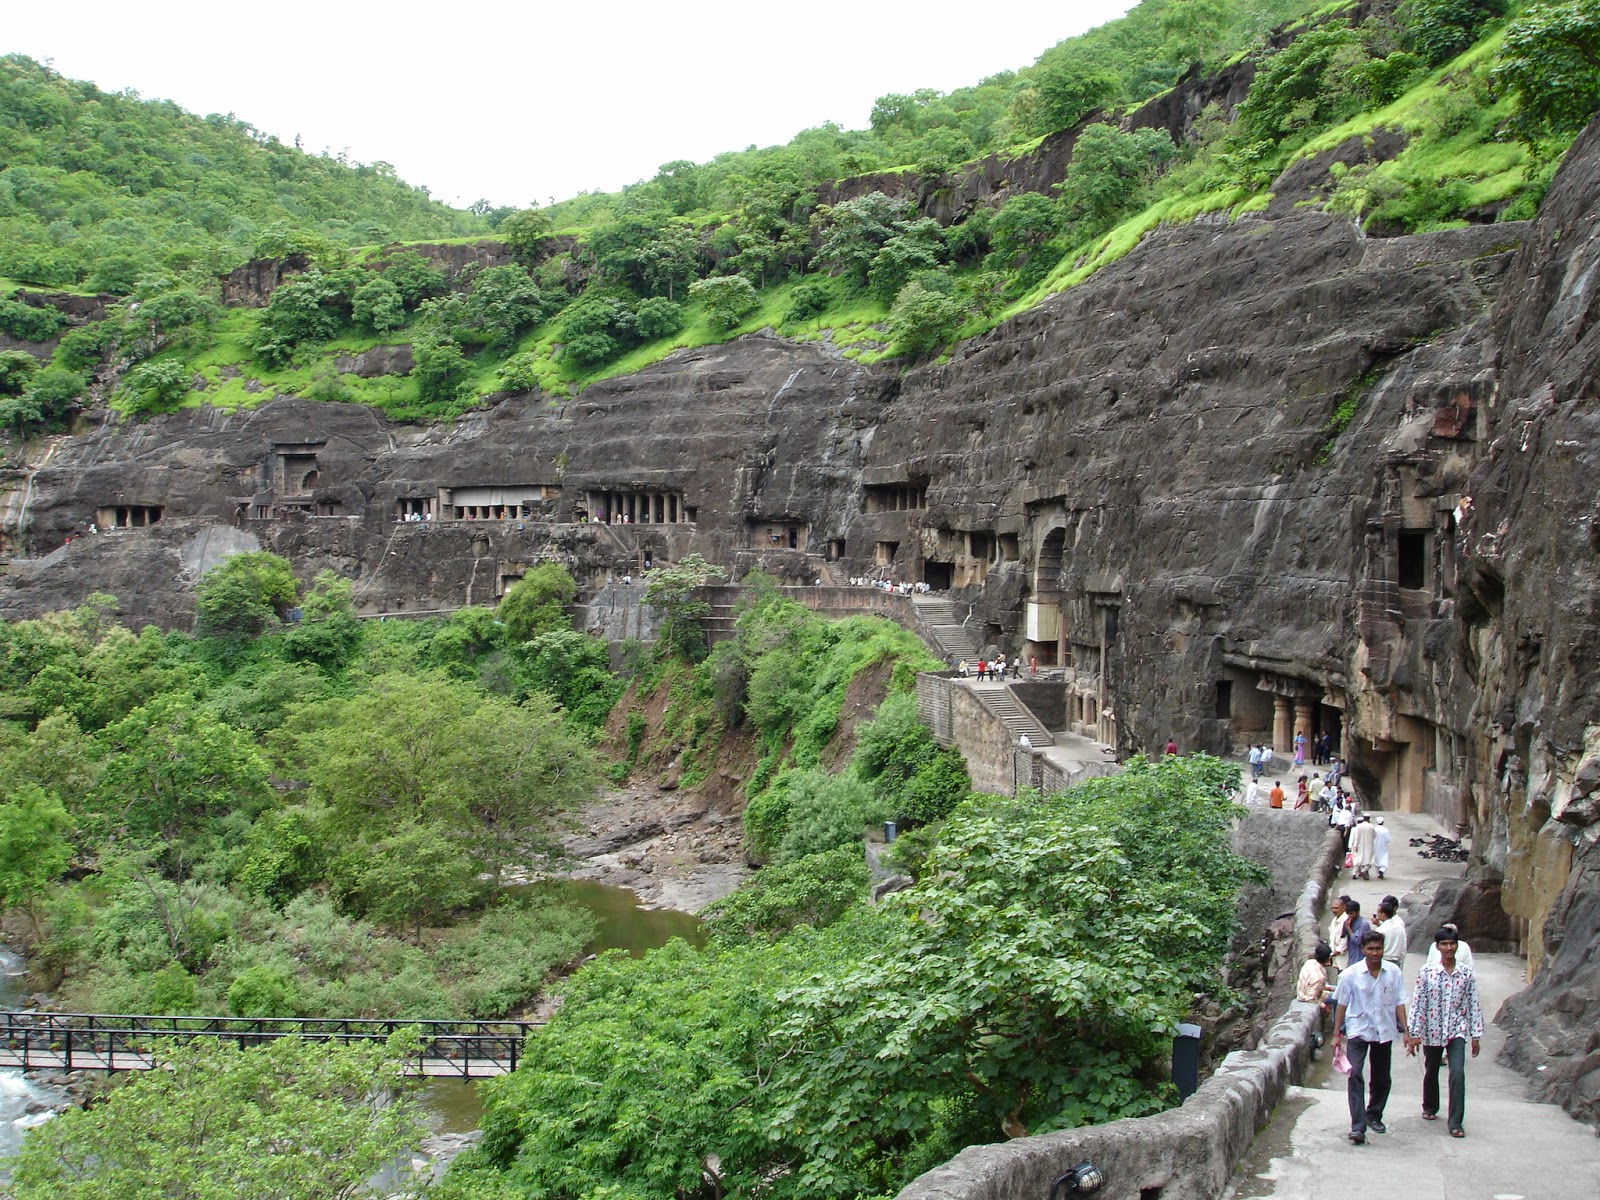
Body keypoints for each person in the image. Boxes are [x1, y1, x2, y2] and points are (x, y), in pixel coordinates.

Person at [1331, 930, 1409, 1145]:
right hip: (1358, 1029)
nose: (1375, 953)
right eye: (1370, 949)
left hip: (1383, 1030)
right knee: (1354, 1072)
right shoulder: (1350, 975)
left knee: (1382, 1078)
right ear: (1363, 950)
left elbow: (1399, 1002)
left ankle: (1374, 1114)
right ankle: (1357, 1127)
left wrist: (1407, 1031)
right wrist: (1336, 1034)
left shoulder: (1393, 973)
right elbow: (1342, 1004)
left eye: (1378, 949)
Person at [1406, 928, 1484, 1137]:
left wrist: (1475, 1035)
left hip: (1456, 1030)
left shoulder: (1465, 974)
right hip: (1432, 1029)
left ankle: (1456, 1122)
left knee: (1457, 1072)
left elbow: (1473, 1003)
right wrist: (1414, 1033)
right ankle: (1430, 1105)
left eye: (1452, 944)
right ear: (1437, 947)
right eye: (1444, 944)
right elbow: (1418, 1003)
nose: (1449, 948)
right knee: (1431, 1069)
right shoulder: (1427, 972)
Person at [1297, 941, 1333, 1007]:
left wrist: (1332, 988)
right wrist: (1324, 1006)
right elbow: (1310, 999)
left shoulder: (1309, 962)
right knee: (1339, 998)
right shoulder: (1319, 978)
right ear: (1327, 960)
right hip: (1306, 997)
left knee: (1336, 992)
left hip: (1302, 992)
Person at [1375, 897, 1408, 966]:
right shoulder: (1400, 927)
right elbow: (1403, 948)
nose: (1377, 915)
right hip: (1396, 960)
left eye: (1378, 913)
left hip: (1383, 960)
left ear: (1383, 914)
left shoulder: (1380, 930)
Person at [1341, 899, 1372, 968]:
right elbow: (1343, 935)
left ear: (1357, 912)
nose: (1349, 916)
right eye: (1348, 913)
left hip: (1360, 956)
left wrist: (1348, 928)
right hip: (1351, 955)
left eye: (1351, 913)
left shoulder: (1363, 924)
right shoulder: (1349, 921)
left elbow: (1357, 940)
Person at [1350, 814, 1378, 880]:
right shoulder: (1371, 826)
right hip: (1369, 845)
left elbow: (1357, 837)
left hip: (1360, 845)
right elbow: (1374, 835)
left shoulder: (1359, 826)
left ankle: (1354, 873)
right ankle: (1364, 870)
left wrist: (1355, 846)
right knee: (1370, 860)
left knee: (1359, 860)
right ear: (1369, 819)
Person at [1328, 894, 1351, 964]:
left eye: (1336, 908)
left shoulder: (1346, 920)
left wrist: (1335, 952)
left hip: (1344, 956)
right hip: (1335, 955)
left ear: (1343, 908)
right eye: (1333, 908)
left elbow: (1345, 941)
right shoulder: (1334, 920)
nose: (1334, 910)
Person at [1372, 815, 1392, 879]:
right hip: (1383, 846)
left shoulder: (1374, 829)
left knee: (1376, 859)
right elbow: (1388, 839)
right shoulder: (1385, 830)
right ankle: (1382, 870)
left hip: (1375, 846)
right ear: (1383, 822)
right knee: (1384, 859)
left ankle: (1378, 873)